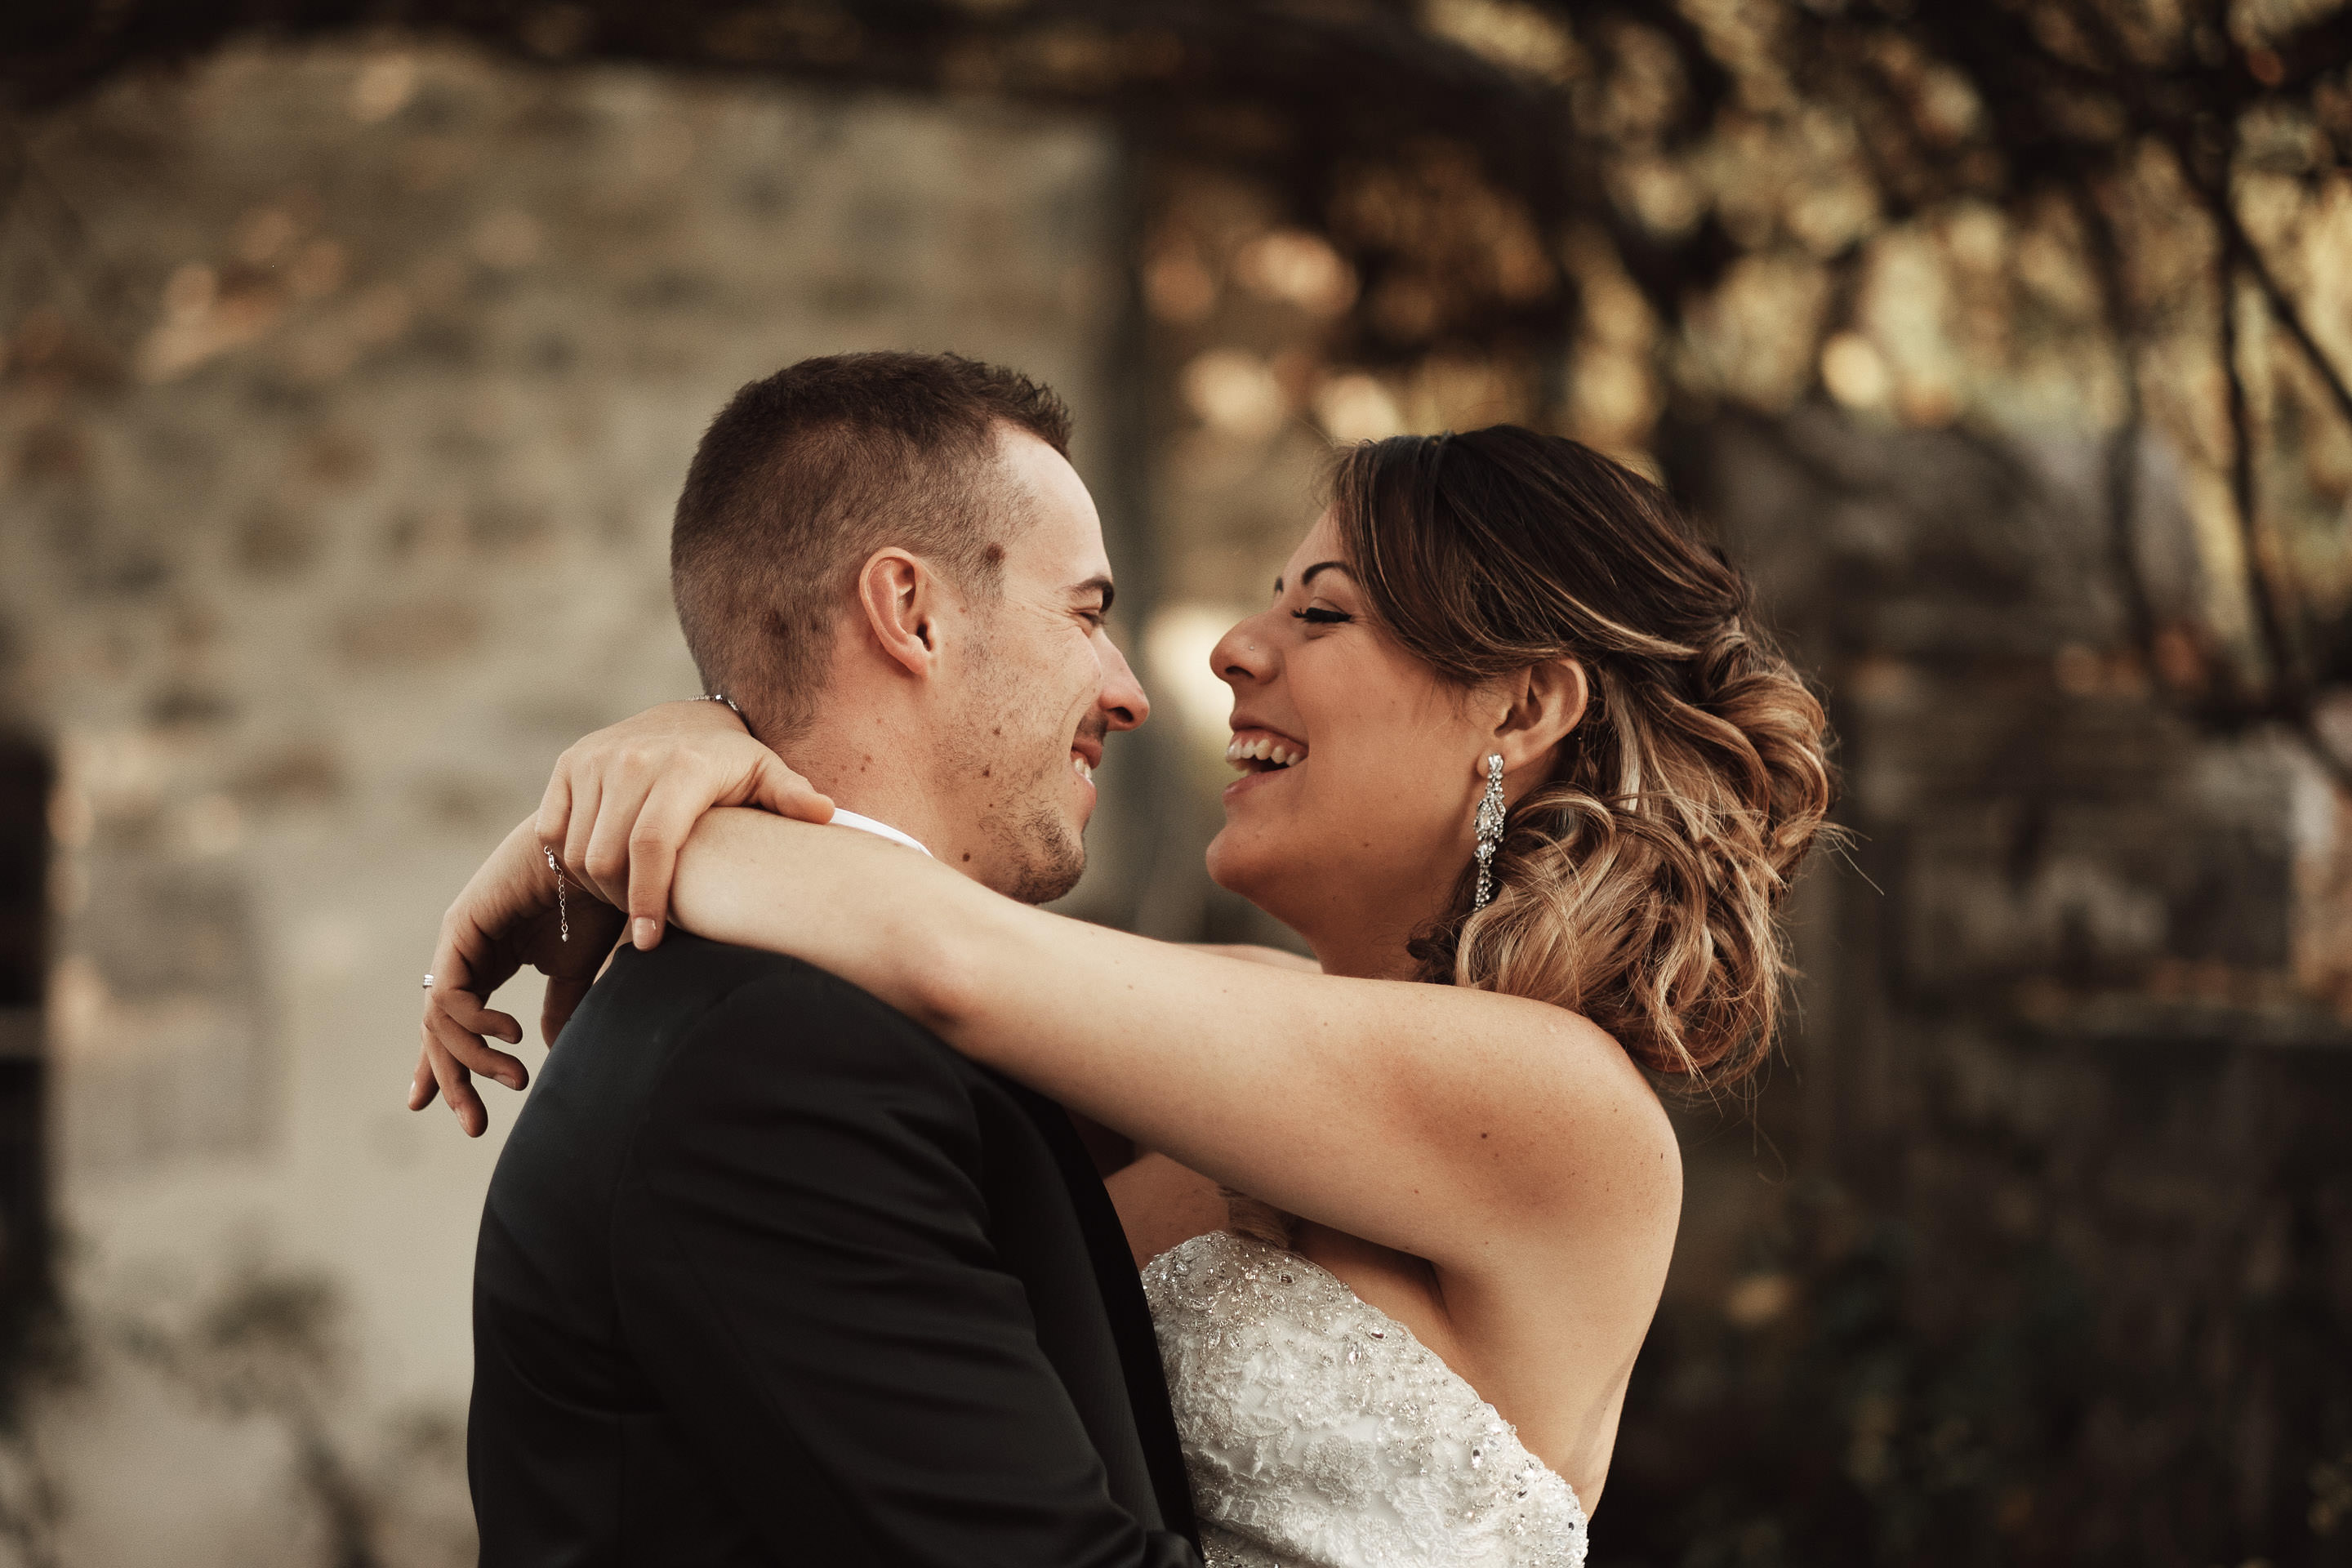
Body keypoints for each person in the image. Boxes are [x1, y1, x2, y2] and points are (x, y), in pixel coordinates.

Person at [421, 421, 1837, 1566]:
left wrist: (644, 804)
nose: (1231, 648)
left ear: (1520, 711)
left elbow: (943, 956)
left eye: (1324, 613)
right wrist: (692, 744)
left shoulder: (1558, 1105)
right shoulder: (1171, 1041)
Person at [432, 351, 1207, 1566]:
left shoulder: (843, 1010)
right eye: (1087, 614)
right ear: (911, 612)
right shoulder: (781, 1060)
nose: (1127, 691)